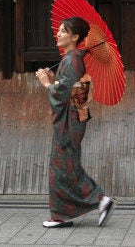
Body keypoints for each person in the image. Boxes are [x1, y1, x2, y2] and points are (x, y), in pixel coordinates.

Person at [35, 17, 114, 228]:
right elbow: (70, 90)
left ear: (75, 37)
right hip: (72, 120)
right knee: (65, 166)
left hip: (68, 124)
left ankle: (99, 199)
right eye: (59, 30)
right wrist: (53, 81)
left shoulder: (71, 61)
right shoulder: (73, 59)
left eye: (63, 31)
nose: (58, 34)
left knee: (63, 168)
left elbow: (62, 95)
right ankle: (62, 215)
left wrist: (46, 85)